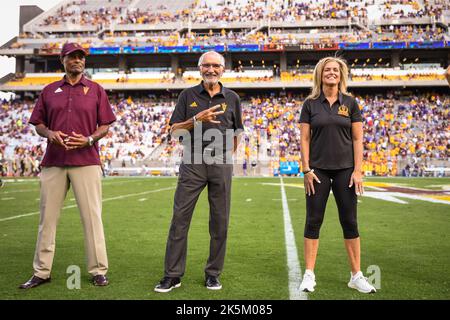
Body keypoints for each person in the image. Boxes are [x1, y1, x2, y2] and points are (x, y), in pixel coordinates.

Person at [19, 42, 116, 289]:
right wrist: (49, 133)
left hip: (86, 161)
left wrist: (90, 138)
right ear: (62, 60)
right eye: (72, 57)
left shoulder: (96, 90)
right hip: (54, 162)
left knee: (92, 218)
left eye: (81, 57)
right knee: (47, 219)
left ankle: (98, 270)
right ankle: (41, 271)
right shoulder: (49, 90)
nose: (77, 61)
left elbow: (105, 124)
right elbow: (38, 123)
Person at [154, 51, 243, 293]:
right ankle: (172, 275)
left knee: (220, 222)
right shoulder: (187, 95)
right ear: (199, 68)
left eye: (216, 66)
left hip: (221, 164)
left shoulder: (232, 97)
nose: (211, 70)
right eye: (206, 66)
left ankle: (213, 274)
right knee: (180, 219)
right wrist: (196, 119)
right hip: (192, 164)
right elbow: (173, 131)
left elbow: (236, 133)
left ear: (223, 70)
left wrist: (225, 158)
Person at [298, 57, 376, 294]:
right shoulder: (310, 104)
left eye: (335, 70)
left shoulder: (350, 103)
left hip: (346, 170)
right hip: (317, 170)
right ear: (320, 75)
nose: (331, 73)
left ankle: (356, 275)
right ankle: (309, 274)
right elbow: (304, 138)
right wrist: (306, 169)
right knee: (313, 220)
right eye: (327, 70)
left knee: (350, 221)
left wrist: (358, 170)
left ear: (341, 75)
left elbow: (357, 138)